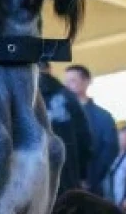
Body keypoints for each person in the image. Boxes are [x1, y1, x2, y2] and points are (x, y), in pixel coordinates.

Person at [38, 61, 93, 194]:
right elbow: (85, 139)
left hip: (34, 181)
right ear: (49, 69)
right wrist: (83, 175)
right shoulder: (69, 97)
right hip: (68, 178)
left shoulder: (24, 98)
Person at [64, 65, 119, 198]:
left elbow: (110, 149)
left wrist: (90, 179)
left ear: (86, 82)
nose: (67, 86)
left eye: (73, 81)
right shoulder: (60, 116)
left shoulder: (102, 117)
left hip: (91, 187)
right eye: (66, 82)